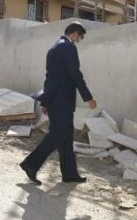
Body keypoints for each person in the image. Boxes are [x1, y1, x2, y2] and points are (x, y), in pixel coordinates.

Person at [20, 22, 96, 185]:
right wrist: (88, 97)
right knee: (57, 135)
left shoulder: (55, 47)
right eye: (80, 37)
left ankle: (69, 173)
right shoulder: (67, 48)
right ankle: (30, 164)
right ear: (75, 34)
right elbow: (76, 75)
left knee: (66, 137)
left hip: (56, 100)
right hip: (62, 101)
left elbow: (51, 78)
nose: (78, 41)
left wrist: (46, 101)